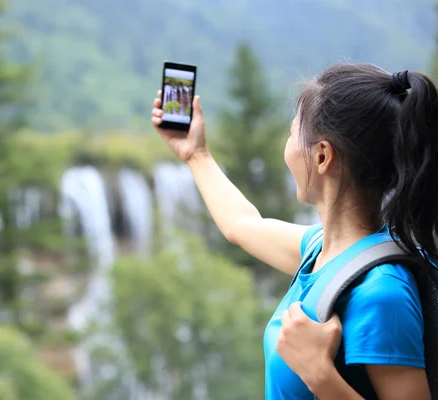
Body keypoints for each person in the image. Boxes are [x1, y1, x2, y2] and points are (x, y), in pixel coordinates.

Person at [151, 63, 438, 400]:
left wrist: (319, 374)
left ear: (321, 157)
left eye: (291, 133)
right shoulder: (323, 251)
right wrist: (195, 154)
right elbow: (242, 226)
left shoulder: (381, 293)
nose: (286, 147)